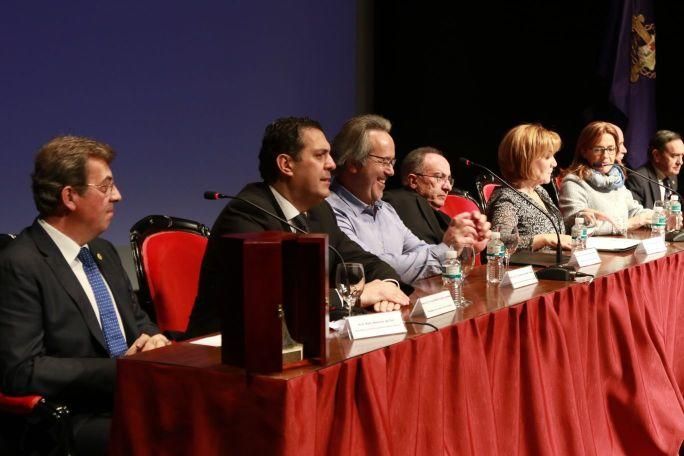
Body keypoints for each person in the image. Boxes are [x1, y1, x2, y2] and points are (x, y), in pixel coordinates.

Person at [0, 136, 169, 455]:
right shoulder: (20, 264)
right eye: (105, 187)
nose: (117, 196)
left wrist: (154, 340)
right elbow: (23, 371)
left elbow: (139, 321)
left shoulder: (102, 251)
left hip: (132, 399)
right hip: (73, 418)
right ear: (70, 196)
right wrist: (122, 369)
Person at [186, 117, 409, 337]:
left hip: (292, 339)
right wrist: (354, 295)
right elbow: (277, 301)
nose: (332, 164)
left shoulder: (318, 211)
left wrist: (386, 289)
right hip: (224, 349)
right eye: (320, 155)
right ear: (286, 165)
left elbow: (364, 260)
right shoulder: (246, 214)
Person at [327, 114, 490, 284]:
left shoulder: (386, 210)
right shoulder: (329, 212)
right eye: (384, 161)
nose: (391, 172)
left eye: (392, 162)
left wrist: (464, 245)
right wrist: (446, 249)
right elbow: (372, 267)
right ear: (353, 163)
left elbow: (421, 250)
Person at [487, 124, 572, 251]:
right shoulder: (507, 198)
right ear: (525, 159)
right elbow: (498, 241)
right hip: (527, 270)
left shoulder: (539, 190)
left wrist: (581, 219)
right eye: (547, 157)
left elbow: (557, 233)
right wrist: (542, 239)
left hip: (553, 266)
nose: (554, 163)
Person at [559, 121, 652, 234]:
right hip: (593, 250)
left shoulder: (615, 180)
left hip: (623, 247)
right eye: (598, 150)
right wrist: (627, 224)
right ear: (584, 152)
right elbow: (576, 226)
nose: (605, 156)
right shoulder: (574, 183)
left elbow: (634, 211)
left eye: (610, 149)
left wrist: (660, 216)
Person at [383, 146, 453, 245]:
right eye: (439, 177)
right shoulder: (398, 202)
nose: (448, 187)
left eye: (449, 179)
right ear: (413, 181)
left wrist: (473, 247)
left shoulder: (445, 219)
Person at [625, 129, 684, 209]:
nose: (680, 162)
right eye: (674, 156)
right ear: (656, 155)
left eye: (682, 156)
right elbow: (636, 216)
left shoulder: (672, 177)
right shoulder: (637, 180)